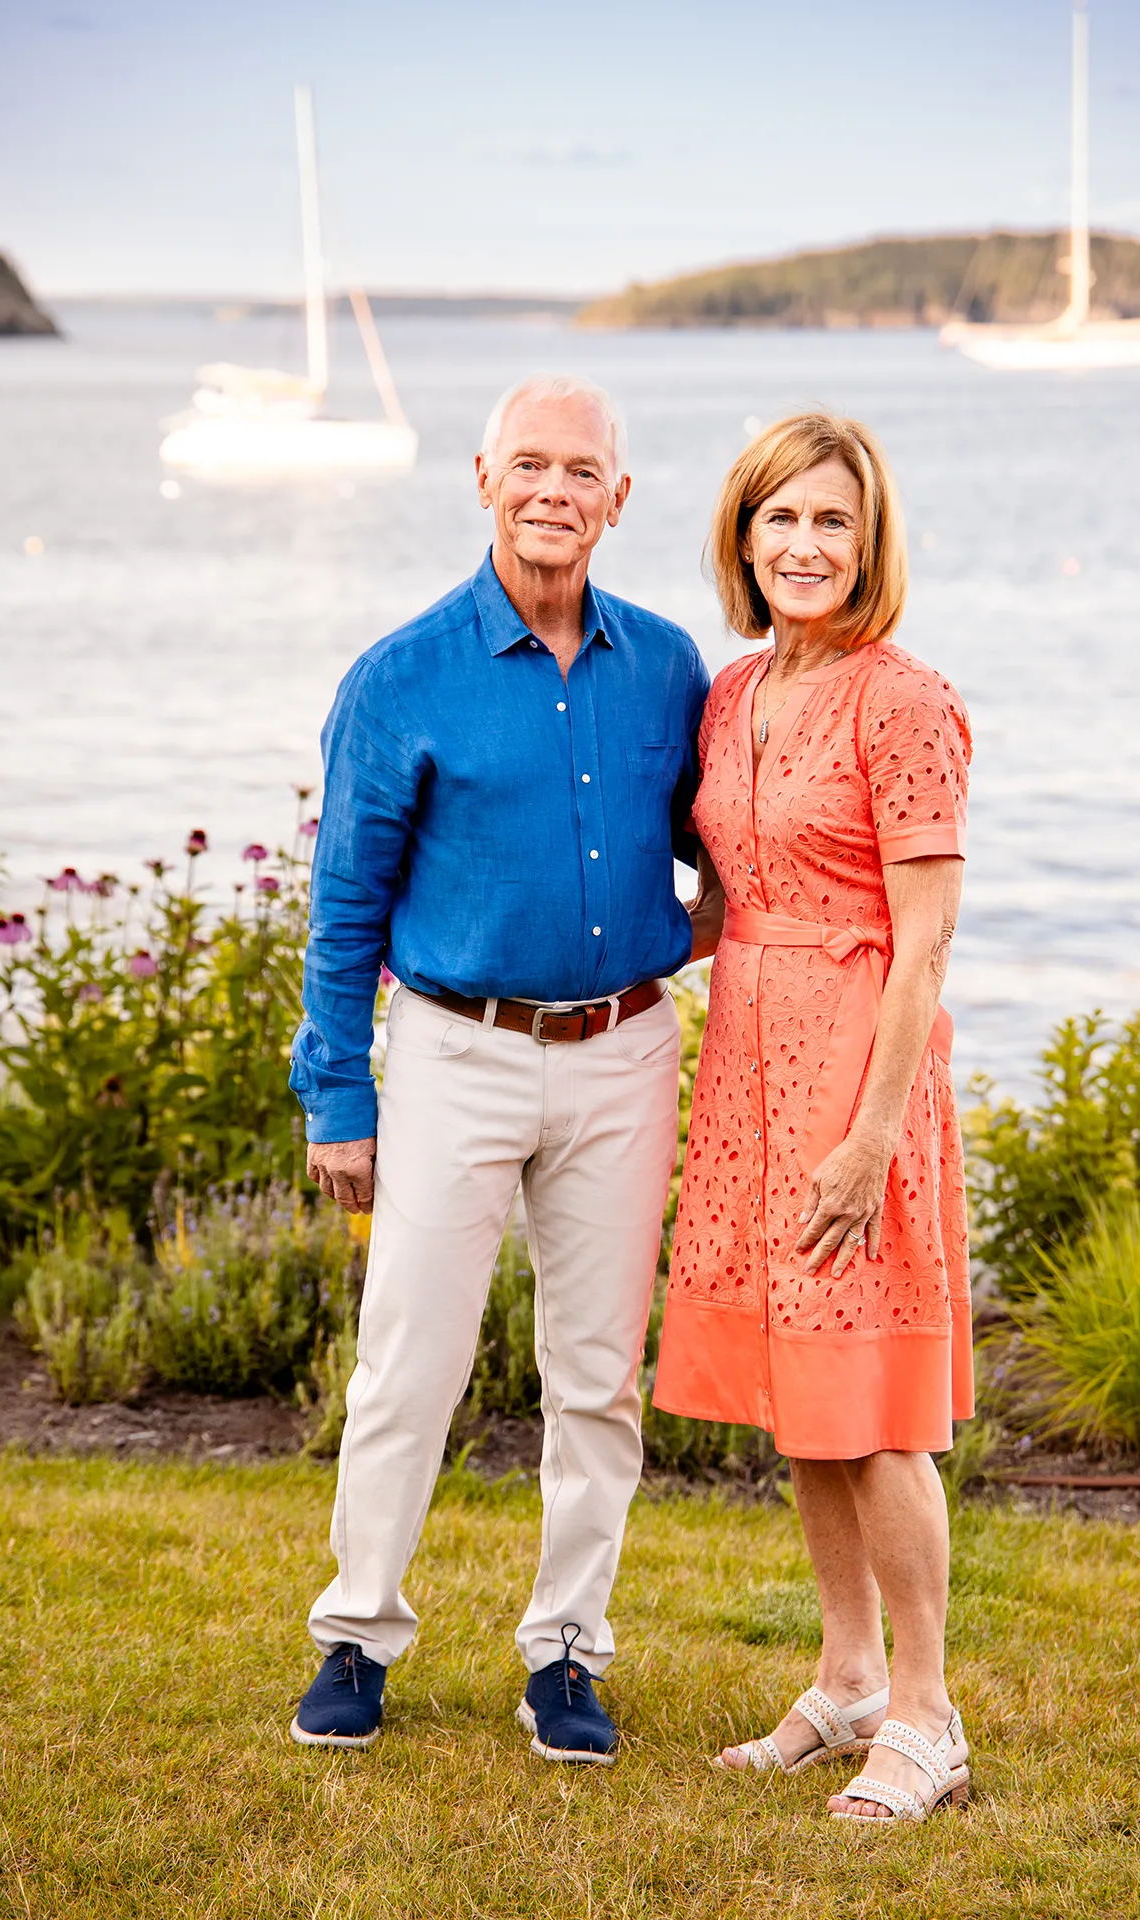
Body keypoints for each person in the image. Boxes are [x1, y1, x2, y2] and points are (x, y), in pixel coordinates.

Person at [289, 375, 710, 1763]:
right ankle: (358, 1632)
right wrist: (338, 1096)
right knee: (410, 1361)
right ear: (481, 478)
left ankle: (569, 1655)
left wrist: (693, 937)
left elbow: (734, 846)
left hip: (625, 1054)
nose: (554, 491)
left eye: (582, 470)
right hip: (455, 1056)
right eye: (529, 464)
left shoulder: (668, 669)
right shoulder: (400, 676)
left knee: (595, 1376)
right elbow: (345, 905)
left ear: (619, 497)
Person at [657, 412, 974, 1824]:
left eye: (830, 521)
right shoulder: (732, 695)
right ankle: (844, 1679)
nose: (803, 545)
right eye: (778, 518)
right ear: (742, 534)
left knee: (879, 1408)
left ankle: (926, 1714)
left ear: (869, 540)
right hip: (745, 1066)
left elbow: (925, 944)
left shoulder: (903, 703)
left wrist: (873, 1134)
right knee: (806, 1401)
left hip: (859, 1073)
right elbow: (724, 897)